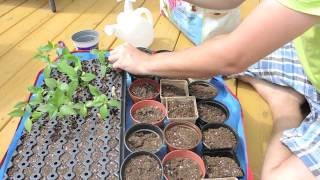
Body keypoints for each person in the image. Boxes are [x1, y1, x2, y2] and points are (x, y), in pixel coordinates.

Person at [109, 0, 320, 179]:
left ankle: (285, 107)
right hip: (305, 59)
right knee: (218, 45)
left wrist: (146, 63)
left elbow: (232, 58)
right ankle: (286, 93)